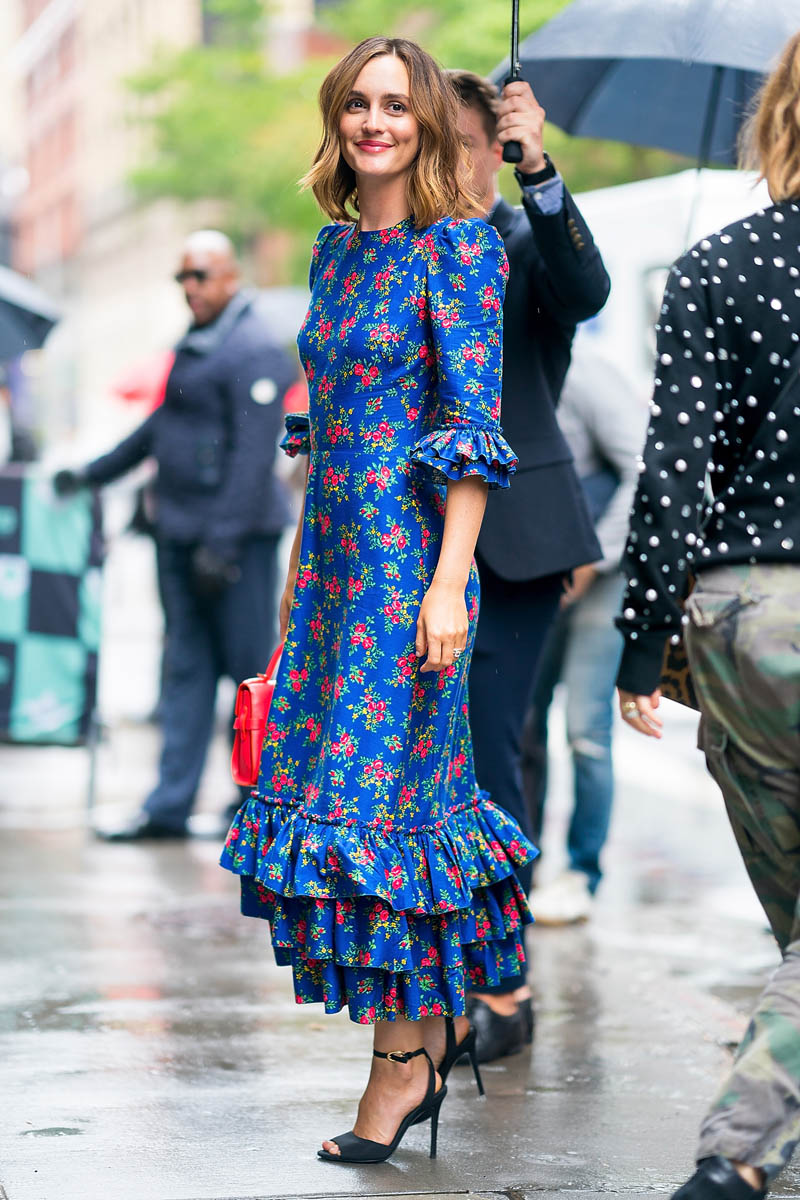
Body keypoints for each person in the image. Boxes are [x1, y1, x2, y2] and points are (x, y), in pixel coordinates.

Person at [219, 36, 536, 1164]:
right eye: (357, 102)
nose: (374, 121)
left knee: (391, 813)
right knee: (335, 806)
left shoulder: (458, 251)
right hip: (330, 570)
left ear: (424, 124)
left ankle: (405, 1057)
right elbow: (337, 417)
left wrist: (449, 585)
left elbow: (470, 436)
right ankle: (411, 1040)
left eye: (395, 105)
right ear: (335, 118)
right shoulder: (334, 251)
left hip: (408, 577)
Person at [616, 32, 800, 1200]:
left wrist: (642, 641)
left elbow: (673, 467)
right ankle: (733, 1161)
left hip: (733, 614)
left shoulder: (719, 263)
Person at [447, 69, 610, 1061]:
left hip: (517, 539)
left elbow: (584, 290)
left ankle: (502, 989)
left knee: (487, 750)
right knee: (421, 765)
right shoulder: (399, 248)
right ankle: (437, 977)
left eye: (472, 139)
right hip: (409, 540)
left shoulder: (517, 242)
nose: (453, 157)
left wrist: (536, 165)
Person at [55, 230, 295, 840]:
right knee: (184, 671)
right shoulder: (194, 344)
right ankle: (169, 806)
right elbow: (157, 431)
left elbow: (251, 458)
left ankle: (260, 806)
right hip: (179, 535)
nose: (190, 288)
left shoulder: (254, 348)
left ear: (231, 278)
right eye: (182, 278)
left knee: (249, 674)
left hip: (233, 544)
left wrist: (223, 541)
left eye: (201, 276)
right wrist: (88, 475)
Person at [522, 346, 647, 924]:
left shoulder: (590, 373)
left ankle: (582, 871)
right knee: (520, 726)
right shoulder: (497, 369)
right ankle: (519, 865)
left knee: (585, 732)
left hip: (600, 578)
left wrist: (589, 560)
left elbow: (643, 470)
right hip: (536, 578)